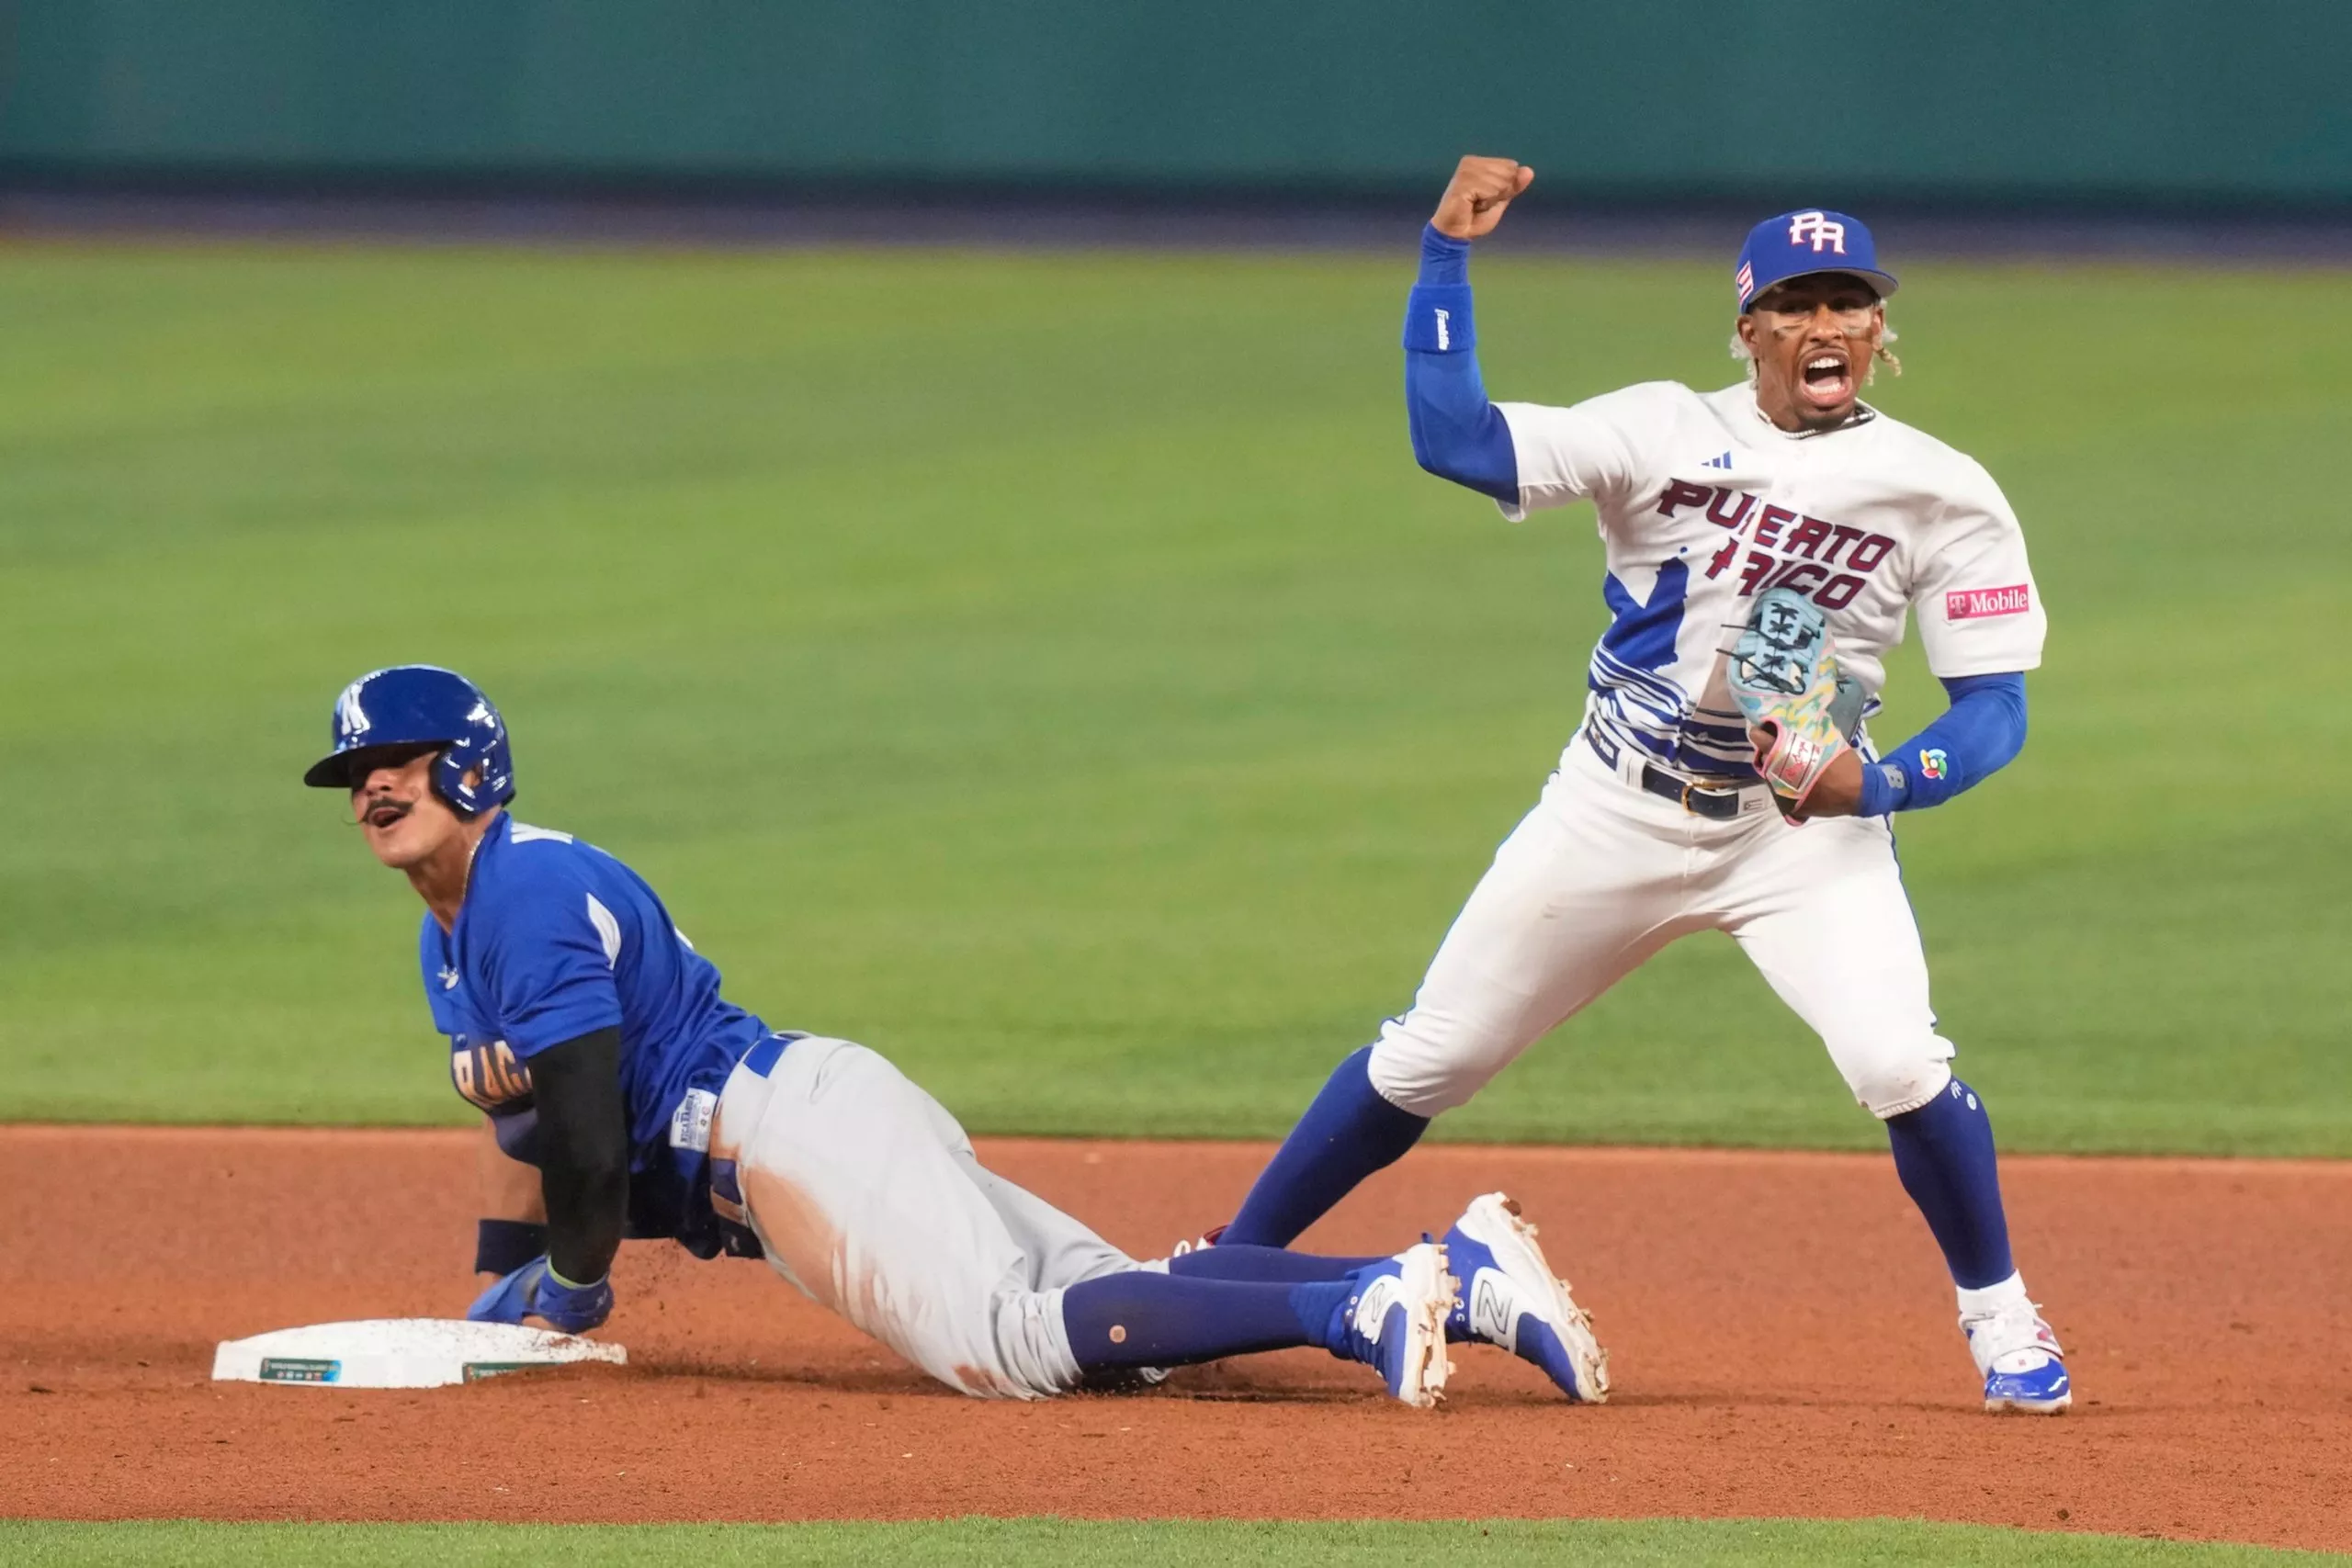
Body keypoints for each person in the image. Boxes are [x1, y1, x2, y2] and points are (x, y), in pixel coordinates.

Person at [1215, 158, 2069, 1415]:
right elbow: (1454, 439)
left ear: (1882, 331)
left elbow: (1997, 706)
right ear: (1749, 328)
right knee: (1429, 1058)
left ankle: (2003, 1320)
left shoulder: (1944, 488)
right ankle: (1225, 1276)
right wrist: (1444, 258)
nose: (1824, 324)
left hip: (1797, 837)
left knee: (1897, 1056)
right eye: (1794, 303)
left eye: (1848, 302)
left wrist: (1883, 782)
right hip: (1614, 805)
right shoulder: (1664, 426)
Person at [303, 663, 1609, 1406]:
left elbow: (584, 1135)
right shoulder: (450, 930)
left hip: (780, 1141)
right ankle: (1457, 1270)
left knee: (1018, 1347)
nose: (373, 783)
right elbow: (521, 1124)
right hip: (808, 1117)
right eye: (354, 771)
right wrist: (499, 1292)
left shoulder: (522, 895)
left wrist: (574, 1289)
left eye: (401, 759)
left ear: (470, 762)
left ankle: (1360, 1302)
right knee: (1098, 1304)